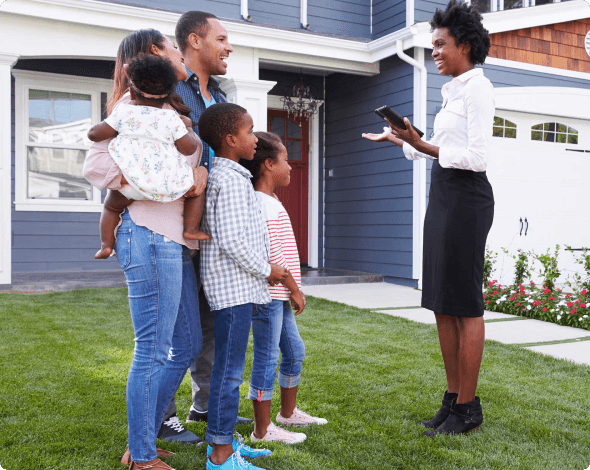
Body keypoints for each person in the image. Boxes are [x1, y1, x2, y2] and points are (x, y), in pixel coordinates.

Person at [362, 0, 494, 436]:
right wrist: (403, 139)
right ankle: (452, 398)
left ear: (466, 45)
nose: (434, 51)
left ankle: (469, 407)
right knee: (440, 301)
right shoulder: (451, 89)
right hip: (443, 194)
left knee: (464, 303)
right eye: (432, 44)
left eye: (441, 44)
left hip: (467, 199)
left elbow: (475, 157)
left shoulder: (478, 87)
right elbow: (434, 148)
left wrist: (423, 145)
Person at [83, 29, 203, 469]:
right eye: (173, 47)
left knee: (184, 344)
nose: (179, 50)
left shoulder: (169, 112)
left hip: (171, 237)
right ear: (157, 56)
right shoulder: (129, 110)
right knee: (152, 347)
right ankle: (143, 457)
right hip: (148, 233)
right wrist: (147, 184)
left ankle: (142, 438)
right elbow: (96, 166)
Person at [159, 11, 254, 439]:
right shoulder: (166, 89)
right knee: (174, 331)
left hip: (214, 230)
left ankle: (205, 407)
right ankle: (162, 417)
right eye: (222, 38)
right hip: (174, 228)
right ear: (195, 41)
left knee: (211, 324)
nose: (228, 46)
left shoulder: (217, 94)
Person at [198, 103, 290, 470]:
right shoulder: (232, 181)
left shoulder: (232, 176)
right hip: (233, 290)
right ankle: (220, 457)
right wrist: (269, 269)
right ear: (231, 139)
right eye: (251, 132)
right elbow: (233, 240)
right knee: (229, 373)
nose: (255, 139)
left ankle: (223, 443)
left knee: (229, 369)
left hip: (237, 288)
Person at [239, 132, 327, 444]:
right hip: (267, 296)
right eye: (285, 160)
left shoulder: (270, 201)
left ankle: (286, 414)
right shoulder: (262, 205)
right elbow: (272, 256)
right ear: (267, 165)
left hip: (278, 295)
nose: (290, 167)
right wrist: (295, 289)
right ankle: (262, 430)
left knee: (294, 351)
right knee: (266, 359)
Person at [88, 53, 209, 260]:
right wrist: (187, 128)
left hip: (131, 186)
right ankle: (191, 228)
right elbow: (188, 149)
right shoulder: (172, 118)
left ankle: (106, 244)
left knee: (110, 206)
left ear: (132, 94)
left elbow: (94, 134)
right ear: (169, 95)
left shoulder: (124, 112)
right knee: (197, 190)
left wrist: (110, 127)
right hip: (169, 186)